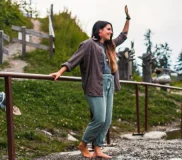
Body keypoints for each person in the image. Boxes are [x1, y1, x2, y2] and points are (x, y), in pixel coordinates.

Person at [49, 5, 131, 159]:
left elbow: (124, 35)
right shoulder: (88, 44)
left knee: (107, 120)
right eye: (108, 29)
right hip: (94, 84)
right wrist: (59, 72)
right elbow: (73, 60)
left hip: (109, 84)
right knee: (99, 118)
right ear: (99, 31)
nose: (111, 32)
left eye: (111, 30)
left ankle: (98, 149)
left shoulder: (109, 45)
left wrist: (128, 18)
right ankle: (83, 144)